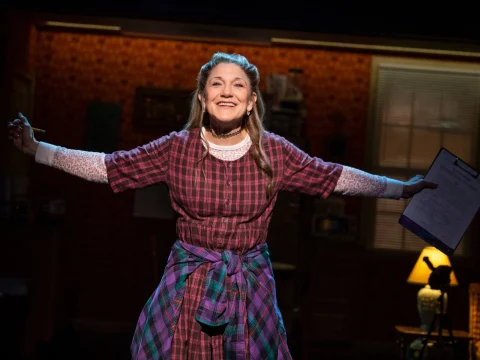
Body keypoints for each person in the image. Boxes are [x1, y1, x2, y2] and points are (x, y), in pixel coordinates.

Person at [7, 52, 437, 360]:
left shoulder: (276, 152)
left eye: (238, 85)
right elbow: (108, 167)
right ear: (202, 97)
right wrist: (37, 149)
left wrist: (399, 188)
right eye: (217, 83)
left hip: (250, 281)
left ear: (251, 101)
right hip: (188, 279)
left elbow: (334, 176)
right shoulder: (176, 148)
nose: (227, 92)